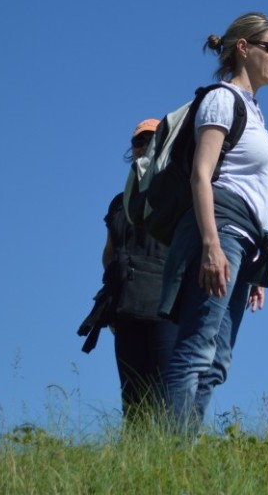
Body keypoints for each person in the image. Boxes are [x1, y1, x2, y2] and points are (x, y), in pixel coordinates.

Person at [157, 12, 268, 432]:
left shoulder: (255, 111)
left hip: (245, 242)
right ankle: (171, 454)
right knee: (196, 349)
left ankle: (184, 449)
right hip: (220, 231)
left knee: (217, 362)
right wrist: (213, 245)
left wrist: (254, 272)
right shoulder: (221, 99)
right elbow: (202, 174)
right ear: (243, 48)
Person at [100, 119, 177, 421]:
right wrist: (111, 295)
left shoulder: (178, 191)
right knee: (132, 396)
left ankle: (173, 457)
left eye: (153, 138)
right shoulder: (120, 203)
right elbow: (109, 253)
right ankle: (135, 459)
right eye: (139, 141)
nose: (145, 145)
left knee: (168, 392)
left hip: (167, 305)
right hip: (127, 306)